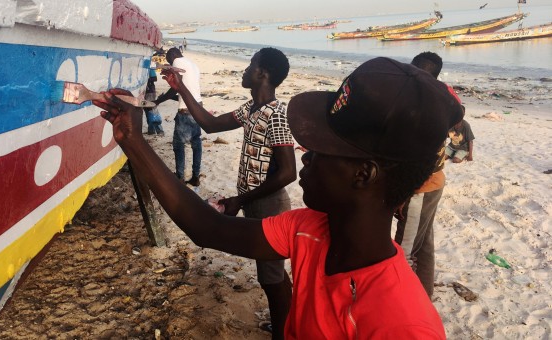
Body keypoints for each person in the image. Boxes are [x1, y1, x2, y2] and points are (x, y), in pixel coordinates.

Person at [94, 57, 463, 339]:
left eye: (320, 149)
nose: (306, 154)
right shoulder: (308, 230)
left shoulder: (402, 323)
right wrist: (133, 141)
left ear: (363, 174)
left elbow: (279, 173)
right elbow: (207, 229)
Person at [161, 47, 296, 339]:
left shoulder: (276, 114)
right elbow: (209, 125)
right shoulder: (250, 109)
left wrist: (241, 200)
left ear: (263, 74)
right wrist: (180, 88)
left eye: (250, 65)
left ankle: (283, 333)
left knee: (271, 278)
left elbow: (288, 173)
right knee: (273, 273)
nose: (244, 71)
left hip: (269, 205)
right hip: (253, 203)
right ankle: (287, 322)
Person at [394, 51, 461, 298]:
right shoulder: (444, 99)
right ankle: (423, 295)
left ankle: (402, 302)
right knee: (424, 245)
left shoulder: (424, 107)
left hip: (421, 186)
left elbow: (420, 161)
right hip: (433, 184)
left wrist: (401, 195)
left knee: (404, 250)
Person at [154, 48, 203, 185]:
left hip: (186, 111)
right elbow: (187, 92)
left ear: (172, 56)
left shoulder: (177, 61)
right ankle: (196, 176)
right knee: (196, 143)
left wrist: (158, 101)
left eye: (169, 60)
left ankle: (180, 177)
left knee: (178, 145)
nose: (170, 63)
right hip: (198, 106)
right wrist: (167, 98)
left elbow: (175, 86)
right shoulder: (192, 64)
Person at [144, 67, 164, 136]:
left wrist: (143, 80)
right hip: (144, 92)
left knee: (152, 110)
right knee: (147, 110)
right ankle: (151, 131)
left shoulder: (150, 65)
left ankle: (159, 130)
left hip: (149, 92)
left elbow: (155, 78)